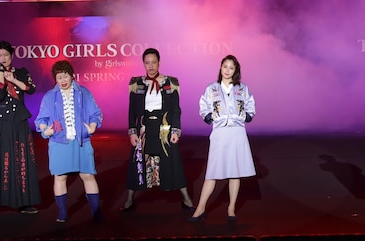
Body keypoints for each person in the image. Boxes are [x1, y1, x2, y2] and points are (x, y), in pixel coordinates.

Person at [120, 48, 195, 213]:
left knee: (174, 161)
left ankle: (186, 199)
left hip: (164, 128)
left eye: (154, 62)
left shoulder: (171, 83)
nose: (151, 66)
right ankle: (129, 199)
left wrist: (175, 131)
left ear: (159, 63)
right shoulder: (136, 84)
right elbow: (132, 110)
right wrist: (132, 132)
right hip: (144, 128)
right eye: (147, 63)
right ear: (143, 64)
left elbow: (176, 110)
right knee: (137, 162)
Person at [35, 60, 105, 223]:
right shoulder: (50, 96)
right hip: (59, 142)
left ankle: (96, 212)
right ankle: (62, 213)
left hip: (82, 141)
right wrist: (46, 130)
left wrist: (92, 127)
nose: (63, 80)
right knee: (60, 177)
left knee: (88, 175)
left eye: (65, 76)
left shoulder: (84, 92)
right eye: (59, 77)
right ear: (55, 79)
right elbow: (41, 119)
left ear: (72, 75)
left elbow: (96, 113)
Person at [189, 55, 256, 223]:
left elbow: (250, 104)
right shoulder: (211, 88)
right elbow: (203, 105)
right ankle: (200, 208)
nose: (227, 70)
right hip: (219, 132)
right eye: (225, 66)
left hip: (237, 132)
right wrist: (209, 117)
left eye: (231, 68)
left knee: (235, 172)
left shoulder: (242, 88)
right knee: (211, 172)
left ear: (235, 70)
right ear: (220, 67)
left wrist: (246, 116)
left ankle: (231, 208)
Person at [0, 40, 41, 217]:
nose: (3, 58)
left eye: (6, 55)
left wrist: (13, 79)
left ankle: (23, 202)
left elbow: (31, 89)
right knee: (0, 160)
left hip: (19, 121)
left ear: (12, 56)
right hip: (2, 122)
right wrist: (1, 74)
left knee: (21, 159)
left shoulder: (22, 72)